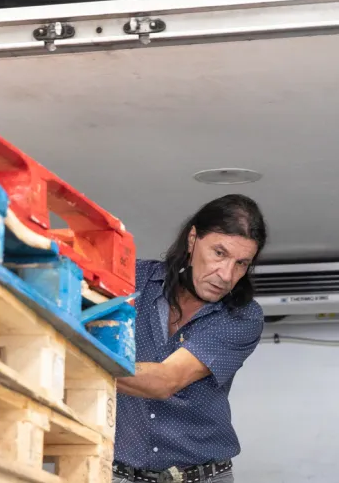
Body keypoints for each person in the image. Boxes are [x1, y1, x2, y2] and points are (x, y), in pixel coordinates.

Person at [111, 194, 268, 483]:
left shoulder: (242, 316)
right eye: (219, 253)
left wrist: (74, 362)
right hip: (117, 475)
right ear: (193, 239)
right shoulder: (131, 281)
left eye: (241, 263)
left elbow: (165, 381)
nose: (226, 274)